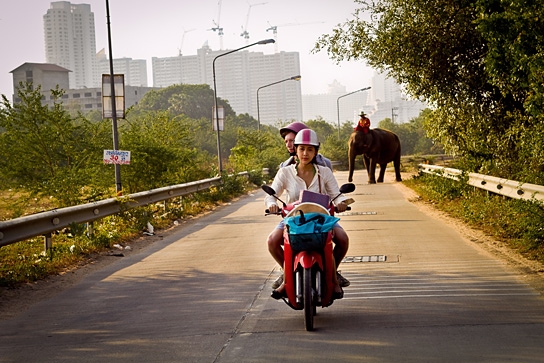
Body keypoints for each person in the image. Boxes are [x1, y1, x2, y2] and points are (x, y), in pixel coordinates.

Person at [265, 129, 350, 300]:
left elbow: (337, 194)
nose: (305, 153)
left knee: (342, 239)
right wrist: (272, 205)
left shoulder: (324, 172)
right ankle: (287, 276)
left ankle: (333, 278)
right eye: (302, 148)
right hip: (294, 219)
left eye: (310, 149)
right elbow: (271, 194)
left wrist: (341, 203)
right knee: (272, 241)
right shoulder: (285, 172)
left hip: (321, 218)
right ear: (295, 149)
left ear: (316, 152)